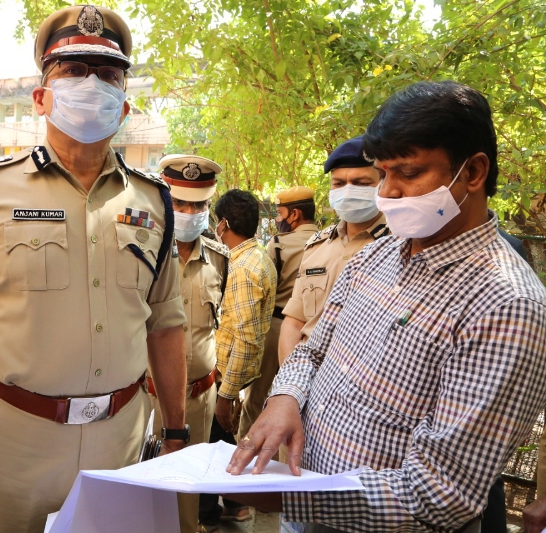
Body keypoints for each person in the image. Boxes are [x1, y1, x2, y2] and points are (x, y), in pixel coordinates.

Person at [228, 81, 546, 532]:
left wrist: (293, 496)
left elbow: (441, 494)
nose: (388, 194)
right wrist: (284, 397)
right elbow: (314, 348)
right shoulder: (379, 253)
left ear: (473, 173)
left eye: (408, 173)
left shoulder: (506, 305)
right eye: (383, 174)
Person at [0, 6, 188, 533]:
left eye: (108, 74)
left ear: (126, 105)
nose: (92, 84)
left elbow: (166, 324)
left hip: (122, 442)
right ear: (41, 97)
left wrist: (176, 431)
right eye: (73, 71)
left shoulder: (153, 200)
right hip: (15, 443)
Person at [147, 154, 229, 533]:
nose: (188, 212)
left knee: (187, 493)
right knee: (140, 488)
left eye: (198, 204)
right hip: (144, 398)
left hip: (199, 398)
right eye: (179, 203)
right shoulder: (142, 254)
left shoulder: (220, 261)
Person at [198, 189, 277, 532]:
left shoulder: (243, 267)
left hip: (229, 377)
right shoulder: (256, 256)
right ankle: (235, 505)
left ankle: (217, 511)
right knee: (221, 440)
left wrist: (226, 395)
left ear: (224, 224)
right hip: (235, 372)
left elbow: (244, 336)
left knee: (212, 441)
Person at [278, 136, 388, 364]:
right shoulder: (316, 246)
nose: (348, 192)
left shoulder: (402, 243)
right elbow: (294, 322)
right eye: (339, 184)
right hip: (305, 375)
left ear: (383, 184)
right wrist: (288, 386)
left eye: (361, 183)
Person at [239, 186, 318, 445]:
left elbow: (264, 287)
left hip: (277, 327)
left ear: (294, 215)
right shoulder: (329, 241)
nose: (278, 220)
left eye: (280, 213)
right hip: (317, 332)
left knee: (258, 397)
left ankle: (248, 446)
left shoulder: (279, 244)